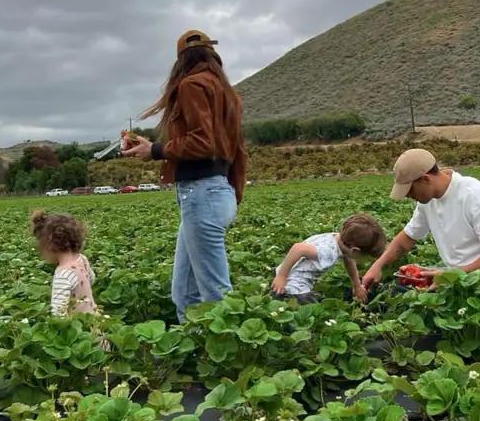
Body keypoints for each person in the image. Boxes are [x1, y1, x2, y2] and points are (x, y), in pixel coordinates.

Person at [121, 30, 248, 323]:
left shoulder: (192, 85)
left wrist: (155, 150)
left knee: (215, 293)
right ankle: (192, 351)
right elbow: (237, 151)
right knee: (184, 291)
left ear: (181, 60)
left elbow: (203, 142)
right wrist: (233, 194)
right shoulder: (227, 93)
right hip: (218, 192)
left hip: (202, 194)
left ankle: (228, 357)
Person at [361, 149, 480, 291]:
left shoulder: (474, 196)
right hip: (457, 278)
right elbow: (407, 238)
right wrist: (378, 265)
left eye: (410, 190)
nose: (408, 196)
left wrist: (450, 276)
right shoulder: (428, 200)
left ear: (425, 179)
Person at [270, 214, 386, 304]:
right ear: (354, 250)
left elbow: (348, 260)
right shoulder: (328, 252)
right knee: (312, 310)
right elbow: (298, 248)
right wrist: (282, 276)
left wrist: (356, 285)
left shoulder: (337, 239)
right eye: (364, 257)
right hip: (294, 287)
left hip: (289, 278)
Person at [31, 210, 98, 317]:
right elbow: (91, 279)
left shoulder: (63, 274)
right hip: (95, 322)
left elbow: (58, 313)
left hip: (77, 329)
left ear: (48, 244)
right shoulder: (82, 259)